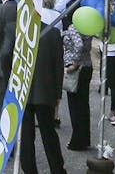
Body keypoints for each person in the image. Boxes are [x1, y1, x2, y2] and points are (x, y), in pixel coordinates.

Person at [21, 21, 67, 174]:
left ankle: (29, 169)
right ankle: (57, 169)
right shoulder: (53, 32)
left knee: (26, 135)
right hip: (46, 91)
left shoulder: (19, 30)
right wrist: (58, 92)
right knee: (49, 133)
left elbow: (7, 57)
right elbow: (58, 65)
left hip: (23, 90)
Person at [61, 11, 94, 152]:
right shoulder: (87, 27)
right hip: (87, 66)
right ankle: (84, 138)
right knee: (83, 105)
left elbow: (78, 45)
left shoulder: (74, 27)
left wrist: (74, 63)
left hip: (76, 69)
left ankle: (77, 141)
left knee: (74, 106)